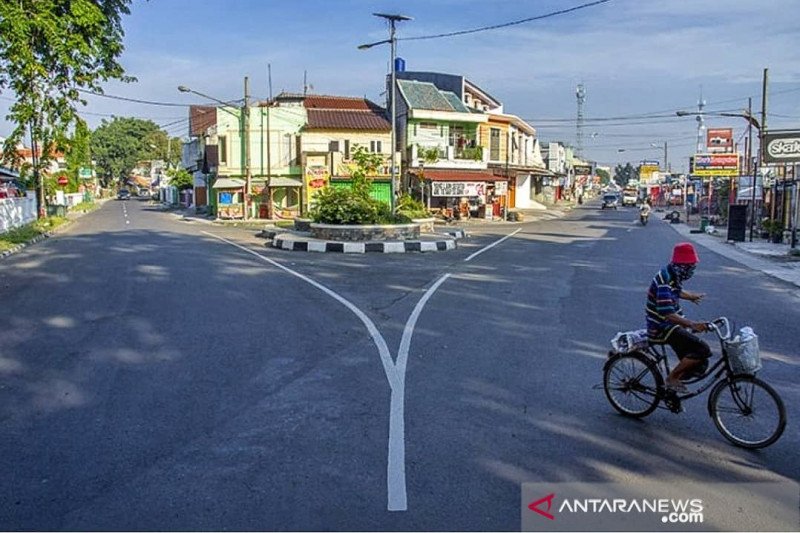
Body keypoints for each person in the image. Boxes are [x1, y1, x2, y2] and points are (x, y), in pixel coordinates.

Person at [646, 242, 710, 392]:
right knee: (702, 349)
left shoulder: (672, 274)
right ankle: (672, 378)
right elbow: (666, 313)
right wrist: (692, 324)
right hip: (661, 326)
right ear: (682, 266)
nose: (692, 270)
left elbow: (676, 291)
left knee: (695, 357)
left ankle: (673, 387)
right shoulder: (665, 280)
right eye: (690, 267)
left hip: (669, 324)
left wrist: (691, 296)